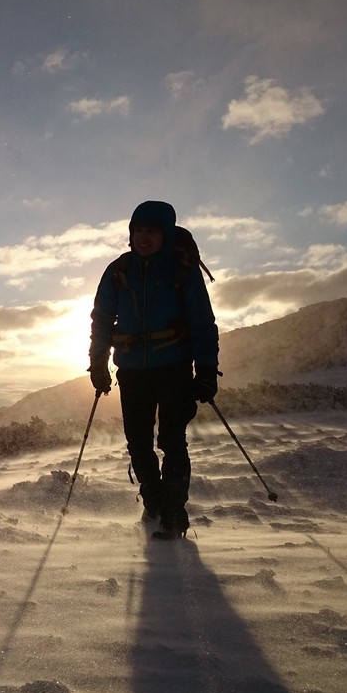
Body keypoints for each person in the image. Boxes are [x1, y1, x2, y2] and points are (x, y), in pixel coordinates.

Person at [88, 200, 219, 539]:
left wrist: (206, 370)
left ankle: (174, 513)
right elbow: (101, 320)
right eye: (137, 230)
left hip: (174, 368)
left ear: (166, 234)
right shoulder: (118, 271)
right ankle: (154, 501)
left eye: (151, 231)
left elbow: (202, 322)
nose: (143, 238)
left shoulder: (181, 269)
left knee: (172, 439)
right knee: (138, 441)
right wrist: (98, 364)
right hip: (131, 371)